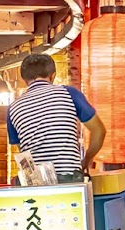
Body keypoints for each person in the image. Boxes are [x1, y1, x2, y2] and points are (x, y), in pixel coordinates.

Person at [6, 52, 106, 181]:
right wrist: (87, 159)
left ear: (24, 79)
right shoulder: (69, 93)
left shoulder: (13, 108)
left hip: (36, 182)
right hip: (69, 178)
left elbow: (23, 150)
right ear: (53, 75)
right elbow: (99, 131)